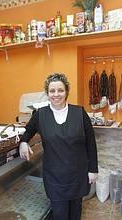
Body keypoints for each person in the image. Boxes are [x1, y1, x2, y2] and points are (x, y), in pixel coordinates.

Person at [19, 73, 98, 220]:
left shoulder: (79, 113)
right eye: (52, 91)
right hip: (54, 177)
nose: (56, 94)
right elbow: (28, 130)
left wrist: (93, 169)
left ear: (67, 91)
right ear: (47, 94)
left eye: (60, 90)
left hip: (77, 174)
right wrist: (23, 142)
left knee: (75, 213)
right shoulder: (40, 114)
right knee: (60, 214)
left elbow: (91, 143)